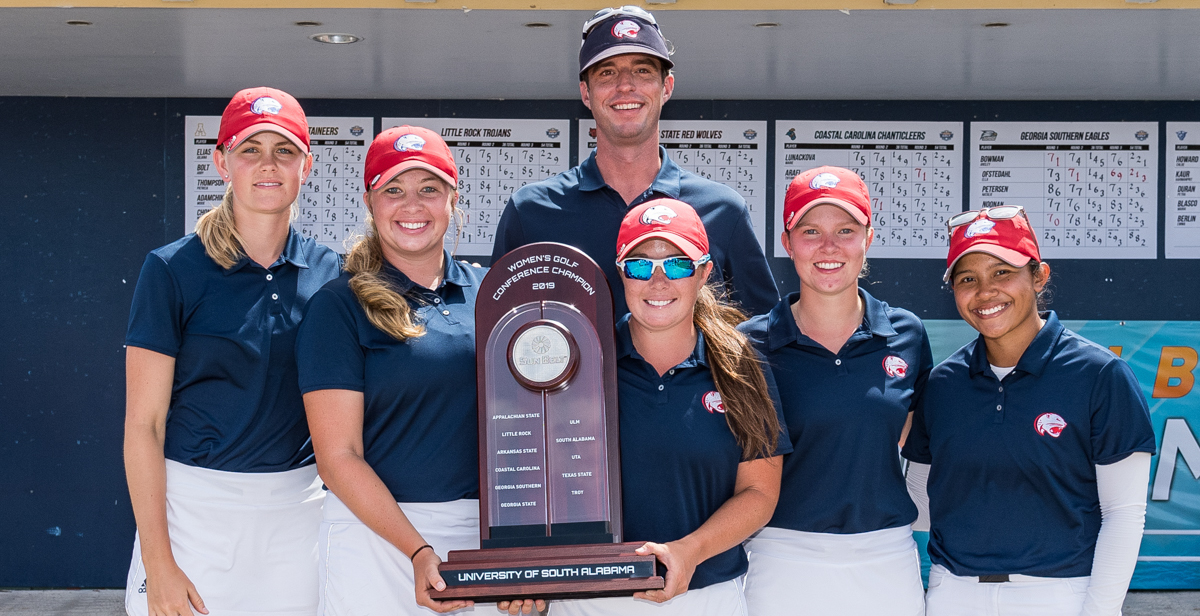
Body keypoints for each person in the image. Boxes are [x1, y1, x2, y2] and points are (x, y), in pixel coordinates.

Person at [123, 87, 341, 616]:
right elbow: (143, 427)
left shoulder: (332, 274)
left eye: (284, 151)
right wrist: (160, 563)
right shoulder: (173, 269)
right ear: (222, 161)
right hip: (194, 513)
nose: (268, 165)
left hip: (300, 515)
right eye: (250, 150)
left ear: (306, 166)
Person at [296, 126, 512, 615]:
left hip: (485, 536)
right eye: (393, 190)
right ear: (371, 203)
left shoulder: (493, 294)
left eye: (428, 190)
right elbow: (338, 457)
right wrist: (416, 549)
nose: (411, 205)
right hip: (377, 537)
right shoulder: (339, 306)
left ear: (453, 200)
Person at [902, 206, 1157, 616]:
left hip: (1060, 595)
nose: (985, 292)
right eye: (968, 279)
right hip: (953, 591)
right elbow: (919, 501)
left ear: (1039, 276)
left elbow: (1124, 514)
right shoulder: (943, 384)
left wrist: (1100, 610)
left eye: (1002, 272)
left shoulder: (1101, 375)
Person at [547, 198, 788, 616]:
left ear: (704, 273)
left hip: (706, 595)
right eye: (640, 266)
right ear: (620, 273)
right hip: (589, 598)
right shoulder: (577, 360)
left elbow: (760, 492)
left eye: (677, 265)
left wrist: (689, 551)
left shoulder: (741, 365)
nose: (658, 282)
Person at [490, 6, 778, 317]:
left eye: (642, 71)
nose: (625, 85)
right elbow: (496, 332)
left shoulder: (722, 210)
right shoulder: (531, 211)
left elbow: (761, 337)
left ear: (666, 87)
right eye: (607, 72)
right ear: (585, 93)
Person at [738, 166, 929, 615]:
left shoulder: (906, 333)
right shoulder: (748, 344)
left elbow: (914, 438)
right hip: (780, 556)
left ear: (868, 238)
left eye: (845, 230)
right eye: (810, 231)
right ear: (787, 242)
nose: (829, 247)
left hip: (886, 558)